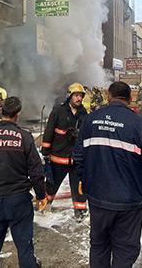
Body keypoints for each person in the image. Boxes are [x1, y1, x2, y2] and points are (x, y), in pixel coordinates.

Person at [73, 81, 142, 268]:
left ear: (108, 95)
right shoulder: (139, 124)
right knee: (125, 249)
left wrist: (82, 178)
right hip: (129, 201)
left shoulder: (90, 120)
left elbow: (79, 155)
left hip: (98, 197)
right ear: (130, 99)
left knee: (99, 245)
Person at [0, 96, 47, 268]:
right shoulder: (25, 137)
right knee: (25, 248)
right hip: (19, 201)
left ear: (1, 112)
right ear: (17, 114)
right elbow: (36, 172)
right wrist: (41, 195)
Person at [41, 82, 89, 219]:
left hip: (76, 160)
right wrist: (45, 151)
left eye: (80, 96)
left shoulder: (83, 113)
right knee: (51, 185)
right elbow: (49, 131)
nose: (79, 99)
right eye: (76, 95)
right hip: (58, 157)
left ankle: (80, 213)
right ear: (70, 96)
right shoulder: (58, 111)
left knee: (79, 188)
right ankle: (45, 206)